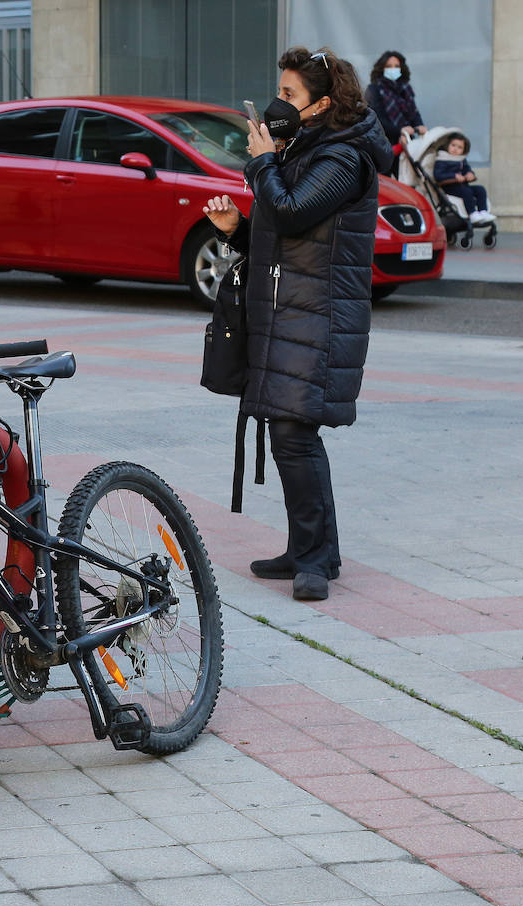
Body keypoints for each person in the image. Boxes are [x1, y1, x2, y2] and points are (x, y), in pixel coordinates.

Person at [203, 47, 392, 602]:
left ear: (322, 104)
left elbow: (289, 212)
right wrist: (236, 228)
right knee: (293, 431)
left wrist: (262, 163)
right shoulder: (307, 149)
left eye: (289, 95)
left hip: (322, 316)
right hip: (294, 310)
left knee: (293, 431)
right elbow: (284, 238)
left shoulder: (343, 158)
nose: (276, 103)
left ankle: (312, 558)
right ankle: (314, 550)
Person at [365, 50, 426, 147]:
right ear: (382, 68)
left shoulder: (406, 88)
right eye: (389, 66)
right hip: (384, 143)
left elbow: (414, 112)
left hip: (408, 139)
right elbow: (377, 118)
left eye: (397, 66)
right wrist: (399, 131)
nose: (393, 69)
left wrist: (420, 125)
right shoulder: (374, 89)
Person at [434, 132, 495, 225]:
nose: (455, 149)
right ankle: (472, 213)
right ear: (447, 145)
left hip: (462, 186)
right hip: (449, 187)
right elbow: (438, 175)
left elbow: (467, 169)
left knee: (480, 189)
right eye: (453, 145)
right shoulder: (442, 159)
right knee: (466, 192)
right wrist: (453, 176)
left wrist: (470, 174)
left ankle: (483, 211)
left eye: (459, 147)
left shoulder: (461, 160)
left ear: (464, 150)